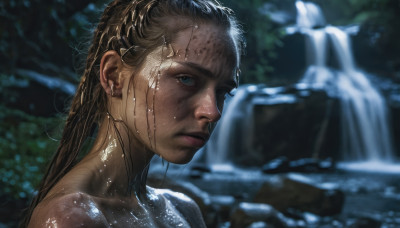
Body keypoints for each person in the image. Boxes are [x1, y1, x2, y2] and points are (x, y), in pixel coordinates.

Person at [21, 0, 244, 227]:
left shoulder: (185, 211)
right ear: (114, 75)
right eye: (186, 79)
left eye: (223, 92)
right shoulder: (71, 219)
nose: (212, 112)